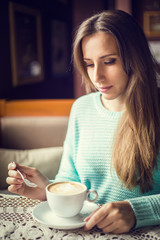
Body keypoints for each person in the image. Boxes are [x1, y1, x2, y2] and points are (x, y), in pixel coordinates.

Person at [7, 10, 160, 234]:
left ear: (135, 58)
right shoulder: (82, 108)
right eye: (89, 64)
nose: (96, 76)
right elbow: (71, 179)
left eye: (109, 61)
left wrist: (137, 212)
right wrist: (48, 189)